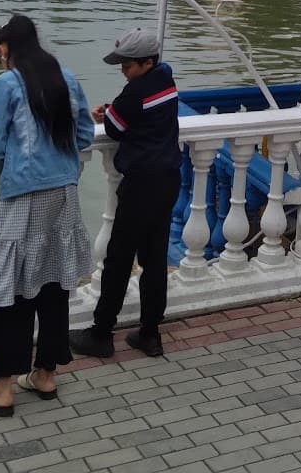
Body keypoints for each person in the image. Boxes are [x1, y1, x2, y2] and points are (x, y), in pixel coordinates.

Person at [0, 15, 94, 416]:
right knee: (54, 286)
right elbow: (86, 135)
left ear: (6, 49)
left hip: (25, 197)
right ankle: (45, 374)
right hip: (64, 194)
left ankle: (2, 386)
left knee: (13, 291)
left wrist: (19, 170)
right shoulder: (68, 78)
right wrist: (61, 165)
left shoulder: (7, 83)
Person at [71, 28, 183, 361]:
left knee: (118, 260)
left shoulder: (134, 93)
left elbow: (116, 128)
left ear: (147, 62)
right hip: (167, 180)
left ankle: (101, 333)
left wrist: (108, 113)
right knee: (153, 260)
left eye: (128, 65)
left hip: (140, 185)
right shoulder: (167, 82)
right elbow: (140, 116)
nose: (123, 70)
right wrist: (118, 109)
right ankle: (150, 334)